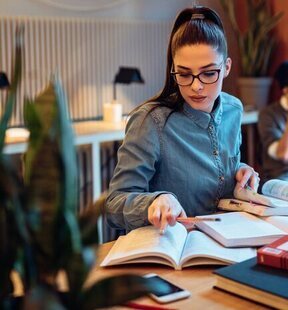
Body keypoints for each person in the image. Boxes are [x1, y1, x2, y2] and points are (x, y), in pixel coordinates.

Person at [106, 6, 259, 233]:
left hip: (229, 238)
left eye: (208, 73)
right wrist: (154, 201)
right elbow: (115, 204)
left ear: (226, 68)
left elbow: (222, 166)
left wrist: (240, 171)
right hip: (174, 249)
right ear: (173, 70)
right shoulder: (150, 121)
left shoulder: (233, 109)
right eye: (185, 74)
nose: (196, 86)